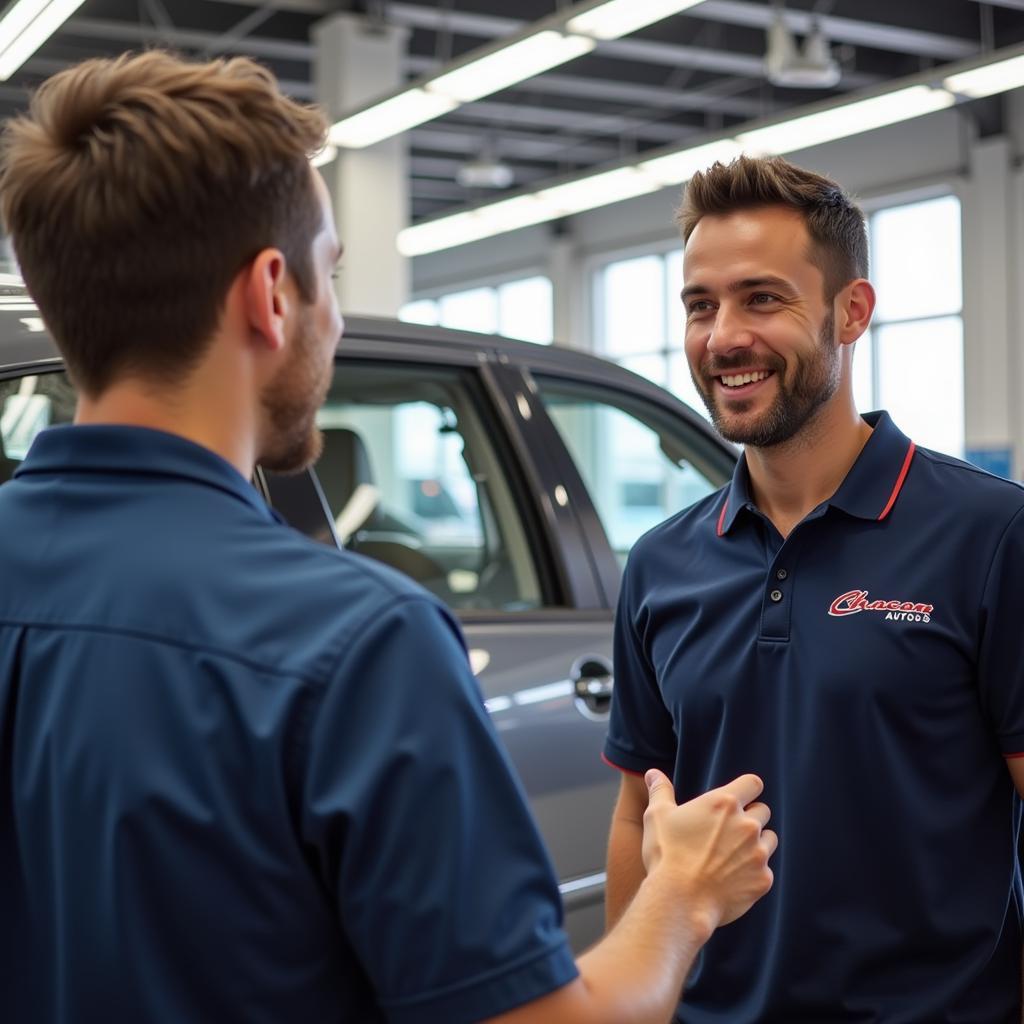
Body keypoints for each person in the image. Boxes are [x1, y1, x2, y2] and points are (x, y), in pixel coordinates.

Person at [0, 52, 777, 1024]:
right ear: (270, 294)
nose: (330, 313)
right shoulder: (356, 644)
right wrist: (680, 895)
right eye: (329, 274)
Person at [603, 153, 1024, 1022]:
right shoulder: (660, 564)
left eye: (762, 299)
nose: (723, 337)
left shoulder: (990, 535)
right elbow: (634, 821)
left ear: (851, 312)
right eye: (700, 305)